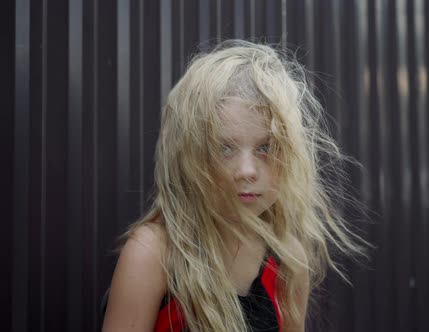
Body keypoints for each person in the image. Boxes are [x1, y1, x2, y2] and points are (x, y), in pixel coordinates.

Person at [102, 40, 366, 332]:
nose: (247, 171)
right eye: (224, 148)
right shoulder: (154, 253)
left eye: (266, 147)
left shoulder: (289, 260)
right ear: (188, 153)